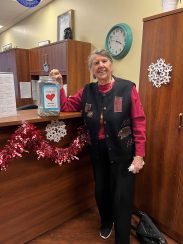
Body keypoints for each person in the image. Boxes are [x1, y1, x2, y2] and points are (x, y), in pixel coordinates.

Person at [50, 49, 146, 244]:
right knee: (101, 191)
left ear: (111, 65)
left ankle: (122, 239)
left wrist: (139, 155)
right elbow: (66, 107)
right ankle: (106, 221)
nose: (101, 65)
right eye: (96, 63)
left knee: (122, 196)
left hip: (123, 151)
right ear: (92, 70)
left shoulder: (128, 89)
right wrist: (59, 86)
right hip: (98, 151)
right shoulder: (87, 91)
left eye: (104, 61)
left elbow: (138, 120)